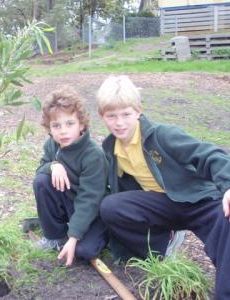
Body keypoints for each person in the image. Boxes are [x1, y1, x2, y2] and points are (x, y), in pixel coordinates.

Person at [96, 75, 230, 299]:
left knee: (227, 219)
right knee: (111, 206)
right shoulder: (111, 147)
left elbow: (210, 154)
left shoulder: (162, 135)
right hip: (162, 205)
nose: (119, 123)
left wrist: (227, 186)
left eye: (126, 114)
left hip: (198, 201)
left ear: (139, 111)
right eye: (112, 116)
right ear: (102, 117)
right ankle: (162, 250)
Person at [33, 87, 109, 266]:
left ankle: (105, 235)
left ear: (81, 124)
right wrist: (53, 165)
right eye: (56, 126)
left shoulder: (93, 155)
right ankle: (55, 237)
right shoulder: (52, 145)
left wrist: (74, 236)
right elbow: (40, 170)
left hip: (94, 211)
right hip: (70, 203)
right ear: (49, 128)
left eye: (70, 124)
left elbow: (89, 200)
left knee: (84, 252)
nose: (63, 131)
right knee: (42, 181)